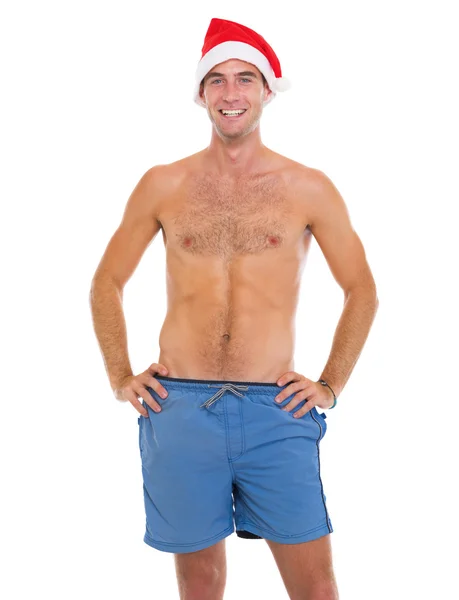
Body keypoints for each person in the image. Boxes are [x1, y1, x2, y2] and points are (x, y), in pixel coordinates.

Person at [90, 17, 378, 600]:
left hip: (276, 408)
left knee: (316, 585)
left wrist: (330, 384)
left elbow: (362, 290)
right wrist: (121, 376)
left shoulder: (308, 187)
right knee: (200, 582)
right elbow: (107, 282)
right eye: (216, 80)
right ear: (200, 94)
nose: (230, 94)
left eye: (245, 79)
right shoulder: (163, 184)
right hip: (180, 408)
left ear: (267, 90)